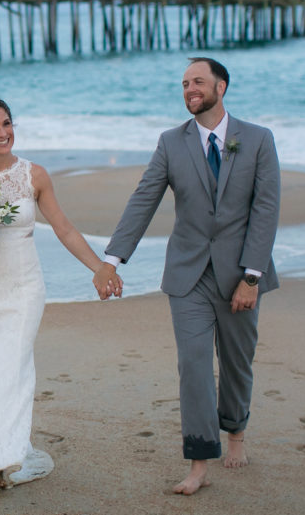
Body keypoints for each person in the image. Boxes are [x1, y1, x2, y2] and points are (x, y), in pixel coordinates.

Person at [103, 58, 280, 495]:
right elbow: (144, 198)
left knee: (238, 363)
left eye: (198, 82)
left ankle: (235, 431)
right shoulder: (170, 142)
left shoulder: (257, 139)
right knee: (195, 366)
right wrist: (112, 260)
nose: (190, 89)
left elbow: (266, 209)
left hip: (241, 274)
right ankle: (199, 461)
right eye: (184, 84)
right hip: (188, 276)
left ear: (221, 86)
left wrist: (251, 277)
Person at [0, 96, 122, 489]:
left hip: (25, 286)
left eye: (7, 123)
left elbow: (63, 228)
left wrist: (100, 267)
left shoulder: (35, 175)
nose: (3, 133)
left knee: (12, 365)